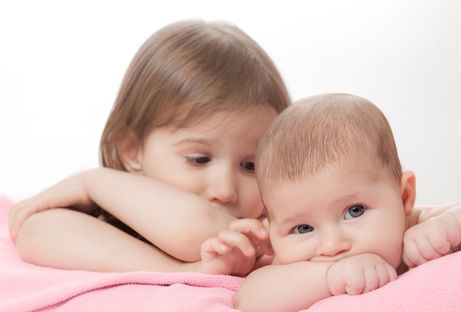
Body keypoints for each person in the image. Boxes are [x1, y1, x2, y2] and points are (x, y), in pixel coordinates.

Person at [203, 93, 461, 312]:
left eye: (354, 211)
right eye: (303, 228)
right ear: (271, 230)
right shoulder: (299, 267)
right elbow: (251, 298)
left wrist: (453, 226)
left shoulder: (419, 228)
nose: (332, 245)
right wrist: (330, 277)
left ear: (403, 198)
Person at [7, 20, 290, 275]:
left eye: (251, 165)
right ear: (132, 151)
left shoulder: (273, 234)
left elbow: (195, 231)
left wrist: (92, 181)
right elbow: (34, 233)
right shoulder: (118, 213)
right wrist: (179, 270)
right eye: (199, 159)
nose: (225, 190)